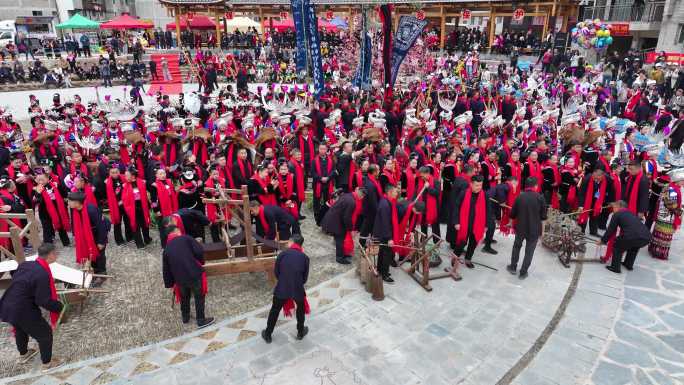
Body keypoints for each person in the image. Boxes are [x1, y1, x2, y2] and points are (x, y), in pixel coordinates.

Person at [0, 243, 64, 370]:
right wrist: (59, 306)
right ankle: (47, 363)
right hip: (23, 308)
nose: (56, 255)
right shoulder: (42, 273)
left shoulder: (26, 265)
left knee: (20, 329)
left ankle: (24, 354)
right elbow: (43, 300)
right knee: (45, 333)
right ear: (50, 255)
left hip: (8, 303)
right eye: (56, 253)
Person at [162, 223, 215, 328]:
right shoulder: (186, 238)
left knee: (184, 297)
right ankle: (201, 320)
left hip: (180, 279)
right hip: (194, 273)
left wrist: (170, 283)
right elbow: (199, 250)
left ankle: (185, 317)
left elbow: (166, 269)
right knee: (199, 296)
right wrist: (201, 262)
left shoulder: (166, 249)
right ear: (176, 231)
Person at [261, 233, 310, 343]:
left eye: (288, 242)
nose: (287, 244)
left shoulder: (282, 255)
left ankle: (268, 334)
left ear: (292, 242)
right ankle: (300, 332)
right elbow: (304, 279)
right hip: (297, 288)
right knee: (300, 310)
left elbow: (276, 273)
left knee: (275, 310)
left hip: (282, 287)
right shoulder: (305, 258)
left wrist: (284, 280)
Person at [507, 177, 548, 279]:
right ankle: (523, 272)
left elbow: (512, 214)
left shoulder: (520, 197)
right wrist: (543, 232)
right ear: (535, 186)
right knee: (529, 251)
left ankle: (513, 267)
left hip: (520, 228)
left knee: (516, 247)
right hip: (534, 230)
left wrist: (510, 223)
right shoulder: (540, 198)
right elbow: (543, 218)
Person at [600, 200, 651, 273]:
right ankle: (628, 264)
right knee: (634, 246)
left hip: (633, 236)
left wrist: (603, 240)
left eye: (614, 207)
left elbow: (610, 230)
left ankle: (615, 267)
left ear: (619, 207)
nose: (613, 209)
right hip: (646, 237)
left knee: (617, 244)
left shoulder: (617, 214)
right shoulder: (630, 213)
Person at [67, 191, 110, 278]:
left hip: (97, 235)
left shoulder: (91, 210)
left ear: (77, 202)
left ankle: (102, 274)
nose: (68, 203)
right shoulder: (74, 209)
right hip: (86, 236)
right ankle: (95, 272)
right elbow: (75, 224)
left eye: (69, 201)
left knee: (99, 256)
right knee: (90, 255)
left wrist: (101, 242)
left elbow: (101, 227)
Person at [451, 175, 490, 269]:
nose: (479, 187)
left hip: (478, 224)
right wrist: (456, 222)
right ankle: (455, 257)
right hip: (464, 223)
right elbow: (456, 207)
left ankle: (468, 259)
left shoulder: (484, 195)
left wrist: (486, 225)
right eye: (477, 185)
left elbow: (488, 210)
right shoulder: (463, 193)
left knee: (473, 243)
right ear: (471, 184)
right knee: (462, 243)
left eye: (481, 185)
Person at [372, 185, 400, 283]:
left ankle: (381, 270)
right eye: (395, 192)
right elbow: (385, 222)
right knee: (386, 254)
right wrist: (389, 238)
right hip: (384, 233)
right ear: (389, 192)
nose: (397, 194)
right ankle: (384, 274)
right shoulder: (385, 204)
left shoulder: (386, 201)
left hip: (382, 232)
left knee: (382, 253)